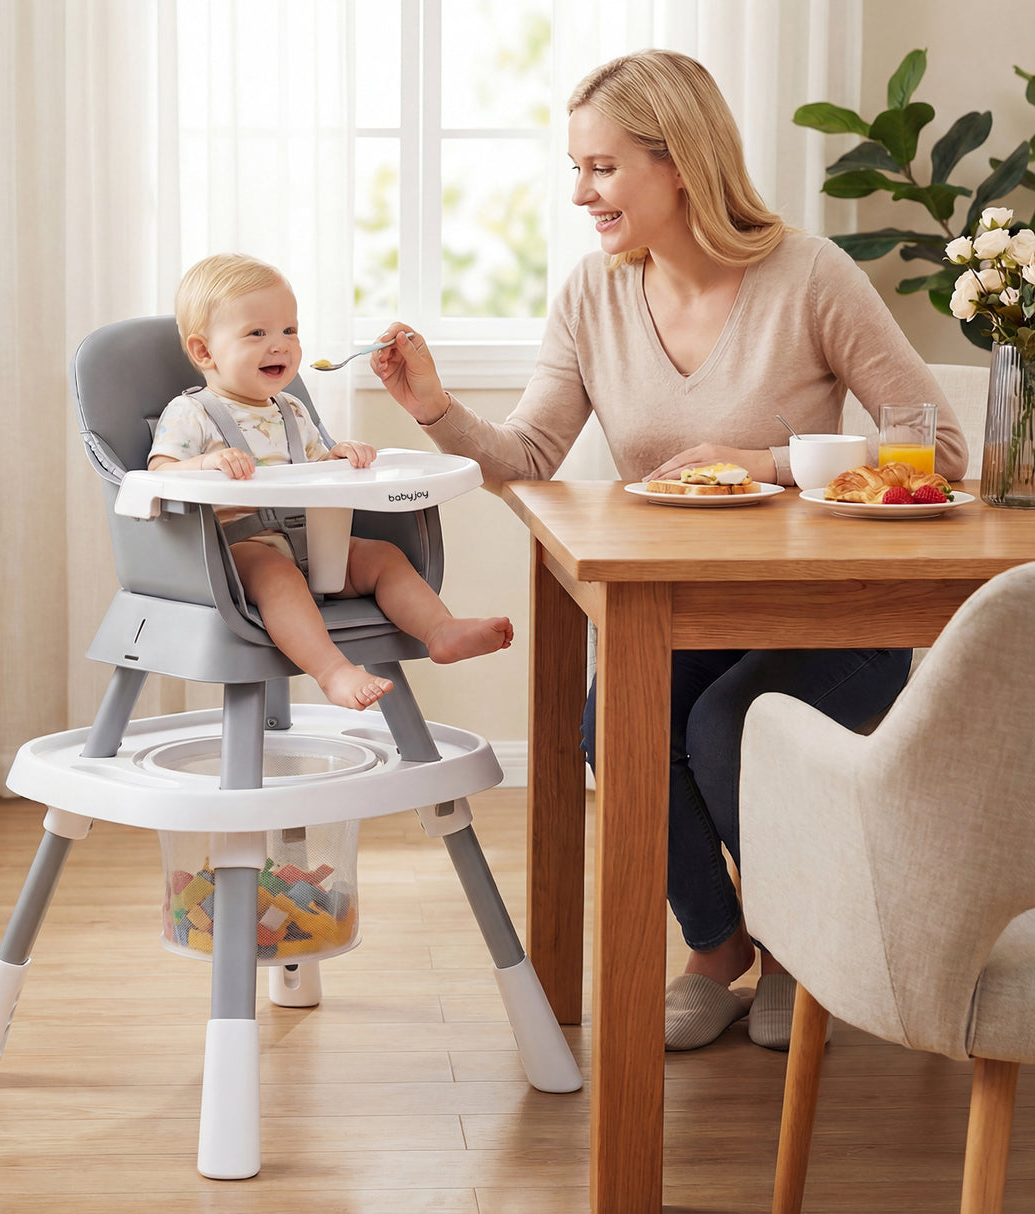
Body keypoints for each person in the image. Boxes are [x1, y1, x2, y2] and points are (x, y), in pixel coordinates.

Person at [371, 50, 968, 1051]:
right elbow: (527, 455)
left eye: (600, 168)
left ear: (677, 161)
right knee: (620, 723)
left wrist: (767, 463)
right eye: (576, 167)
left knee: (730, 719)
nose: (578, 193)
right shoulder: (590, 297)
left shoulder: (807, 274)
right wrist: (433, 408)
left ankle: (796, 955)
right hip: (686, 607)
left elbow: (937, 449)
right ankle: (717, 942)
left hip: (833, 618)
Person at [148, 252, 514, 712]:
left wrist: (341, 456)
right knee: (278, 577)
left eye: (289, 330)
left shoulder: (293, 410)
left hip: (313, 542)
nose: (280, 345)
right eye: (257, 333)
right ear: (204, 352)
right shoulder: (192, 413)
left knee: (383, 557)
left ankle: (440, 631)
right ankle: (332, 672)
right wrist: (206, 465)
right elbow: (157, 476)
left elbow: (318, 469)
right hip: (240, 551)